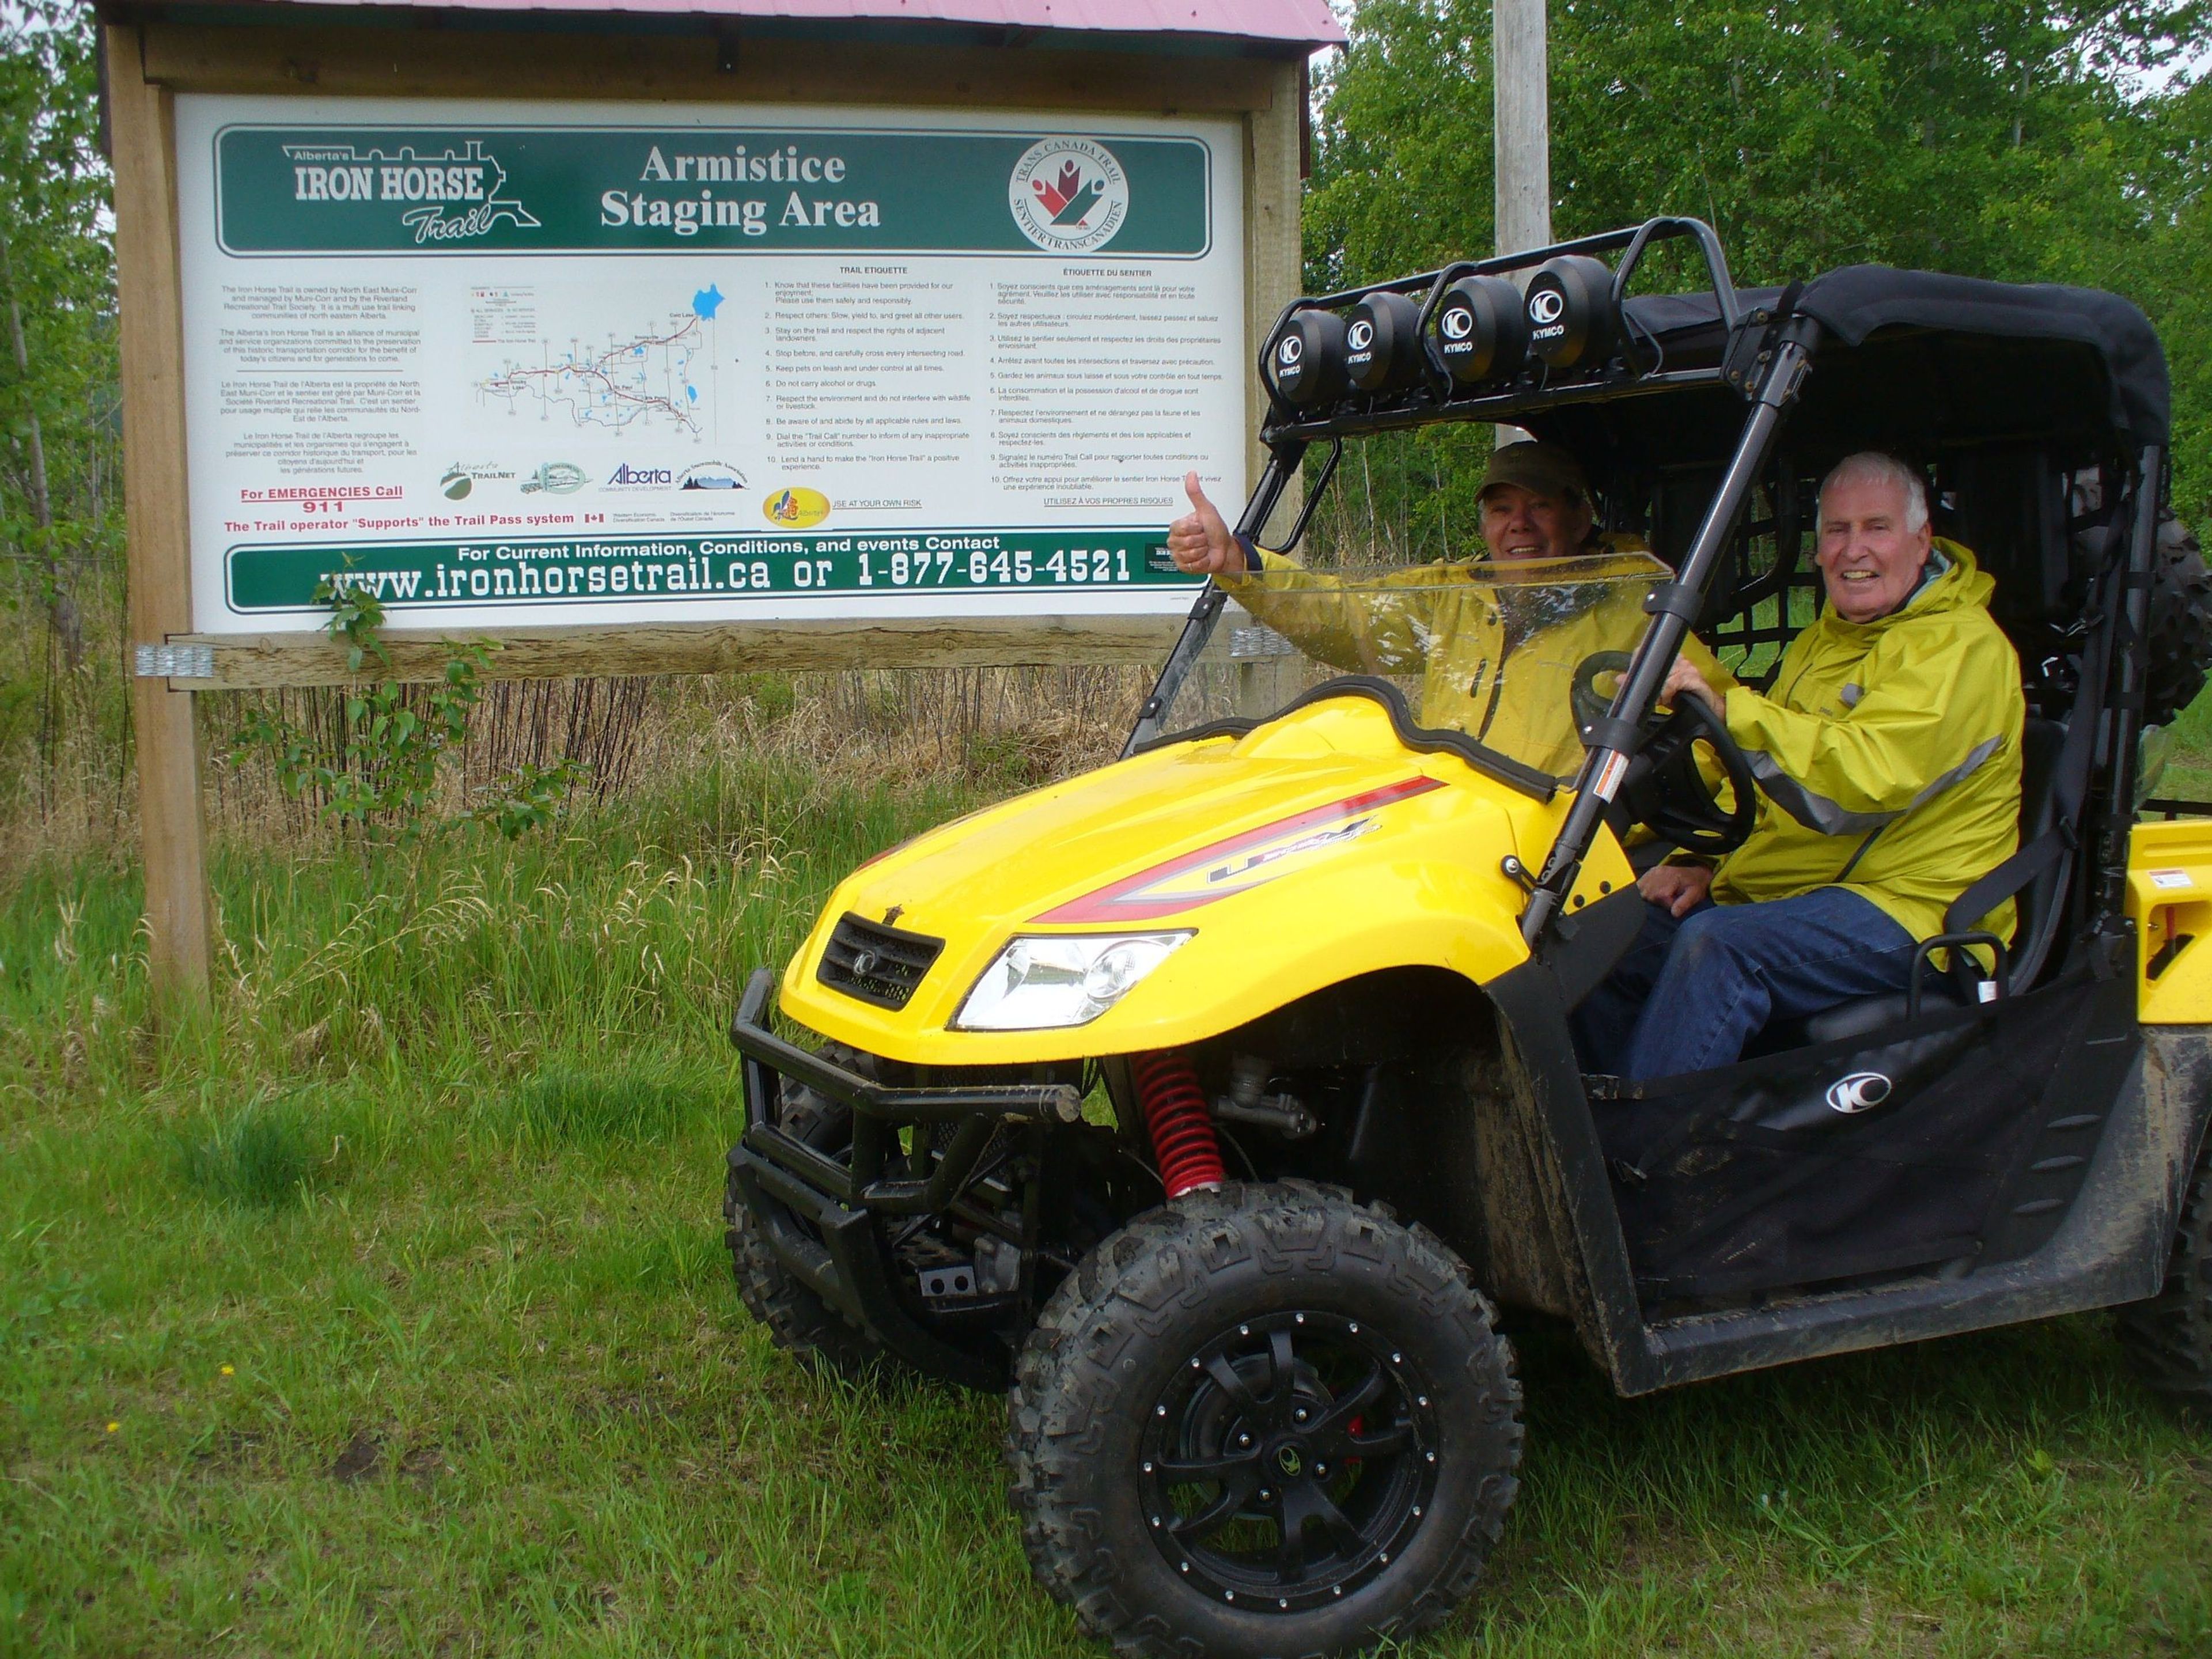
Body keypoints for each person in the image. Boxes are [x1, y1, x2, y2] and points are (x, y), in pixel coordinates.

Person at [1573, 451, 2026, 1082]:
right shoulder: (1827, 639)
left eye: (1876, 528)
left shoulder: (1961, 649)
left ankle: (1649, 1152)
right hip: (1807, 889)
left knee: (1721, 949)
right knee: (1599, 936)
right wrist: (1708, 865)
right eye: (1837, 531)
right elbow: (1774, 790)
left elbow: (1861, 786)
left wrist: (1733, 711)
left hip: (1913, 907)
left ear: (1922, 541)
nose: (1853, 549)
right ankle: (1584, 1129)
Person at [1168, 441, 1733, 779]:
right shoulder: (1455, 596)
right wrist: (1241, 563)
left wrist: (1691, 859)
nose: (1519, 525)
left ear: (1580, 520)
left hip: (1561, 865)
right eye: (1502, 508)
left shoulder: (1638, 605)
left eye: (1540, 506)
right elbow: (1345, 616)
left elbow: (1715, 729)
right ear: (1485, 523)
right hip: (1447, 831)